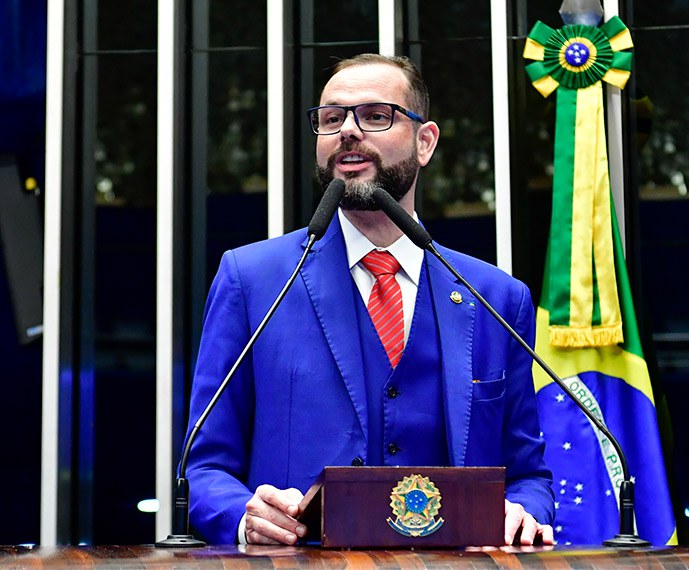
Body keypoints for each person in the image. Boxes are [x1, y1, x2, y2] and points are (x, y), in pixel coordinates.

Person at [185, 53, 555, 546]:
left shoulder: (496, 299)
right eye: (332, 118)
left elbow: (529, 475)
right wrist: (241, 515)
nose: (348, 132)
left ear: (425, 142)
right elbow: (205, 466)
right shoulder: (252, 281)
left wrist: (522, 511)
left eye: (376, 116)